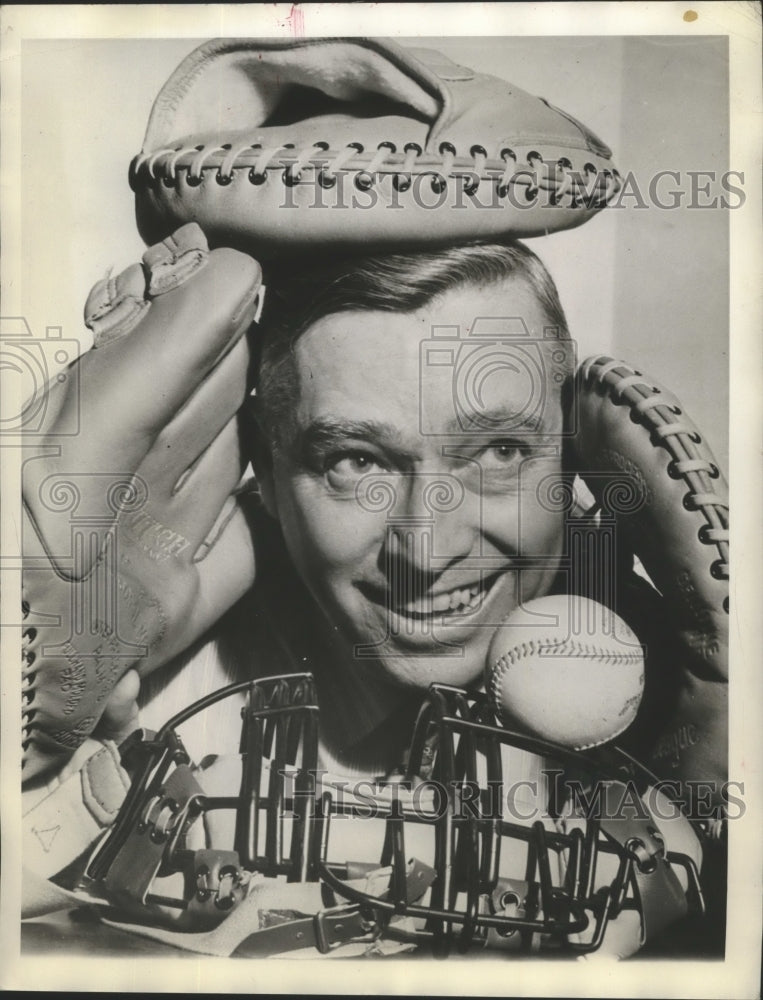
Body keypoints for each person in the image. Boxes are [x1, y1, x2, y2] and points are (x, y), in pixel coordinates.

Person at [19, 36, 728, 961]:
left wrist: (717, 839)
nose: (427, 547)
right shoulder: (130, 735)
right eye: (356, 461)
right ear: (264, 478)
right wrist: (30, 775)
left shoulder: (650, 763)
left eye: (500, 450)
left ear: (574, 458)